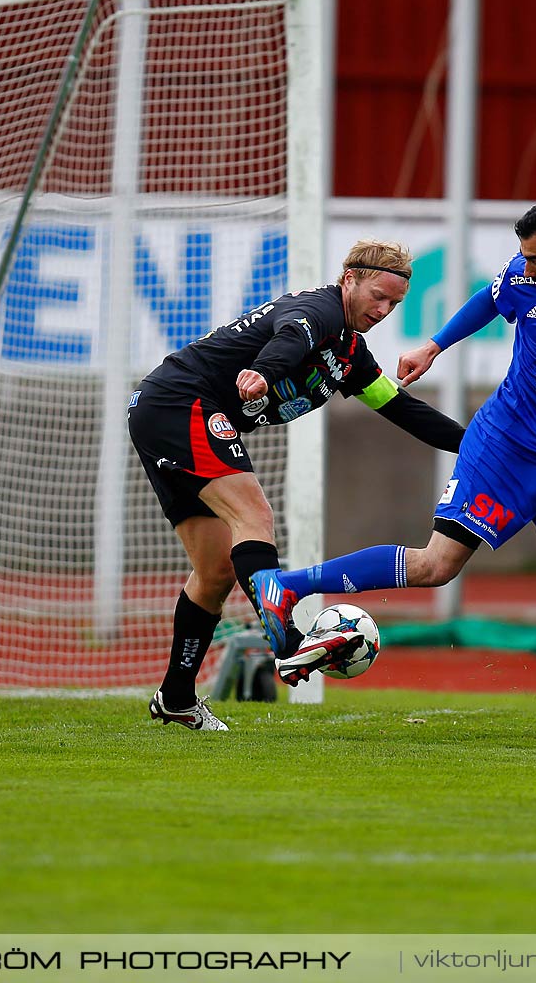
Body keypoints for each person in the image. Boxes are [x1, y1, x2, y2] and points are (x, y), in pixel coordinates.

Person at [248, 194, 536, 744]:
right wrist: (433, 347)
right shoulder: (522, 277)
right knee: (436, 566)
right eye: (523, 259)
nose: (523, 270)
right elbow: (489, 299)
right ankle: (287, 586)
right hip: (506, 447)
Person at [131, 240, 464, 732]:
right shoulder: (319, 309)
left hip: (165, 413)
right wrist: (264, 372)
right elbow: (291, 337)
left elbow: (404, 411)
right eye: (378, 296)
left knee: (218, 571)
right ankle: (287, 640)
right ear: (349, 277)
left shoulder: (351, 356)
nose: (383, 310)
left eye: (394, 304)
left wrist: (481, 448)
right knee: (256, 517)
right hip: (182, 404)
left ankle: (177, 697)